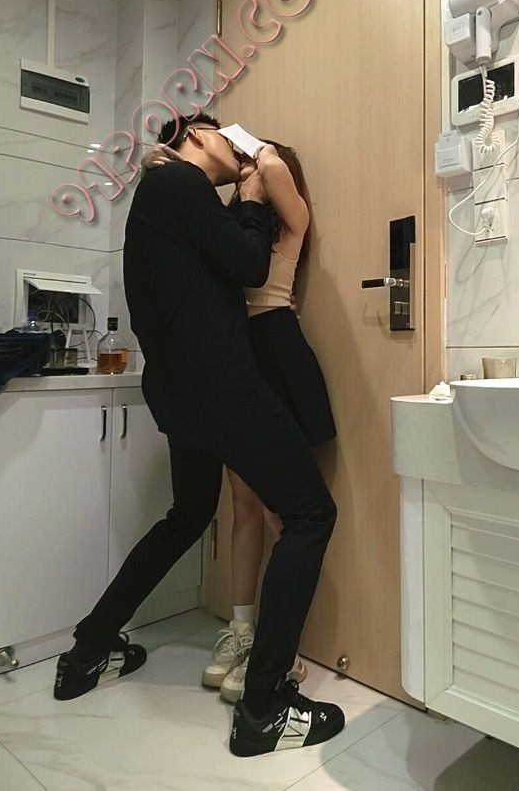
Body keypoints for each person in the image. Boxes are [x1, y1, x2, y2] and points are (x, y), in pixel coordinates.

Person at [53, 112, 345, 757]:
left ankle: (87, 652)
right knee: (311, 513)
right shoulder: (177, 182)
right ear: (193, 136)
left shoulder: (167, 199)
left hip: (180, 392)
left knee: (188, 515)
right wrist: (252, 199)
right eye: (225, 138)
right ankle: (264, 708)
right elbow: (248, 263)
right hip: (219, 387)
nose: (237, 152)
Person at [141, 137, 336, 705]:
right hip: (233, 357)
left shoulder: (289, 213)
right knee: (243, 505)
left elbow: (273, 174)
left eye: (251, 156)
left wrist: (256, 153)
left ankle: (279, 646)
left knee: (283, 509)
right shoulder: (232, 227)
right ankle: (242, 630)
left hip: (274, 351)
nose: (243, 161)